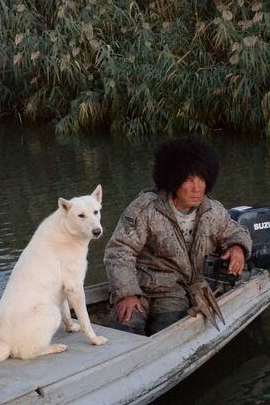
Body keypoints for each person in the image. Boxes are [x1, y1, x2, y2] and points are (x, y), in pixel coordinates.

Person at [104, 136, 252, 336]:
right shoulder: (146, 209)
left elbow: (236, 231)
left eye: (202, 180)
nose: (197, 188)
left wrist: (238, 248)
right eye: (189, 180)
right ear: (173, 179)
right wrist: (127, 294)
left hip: (174, 294)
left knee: (169, 333)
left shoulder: (212, 211)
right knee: (125, 323)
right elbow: (119, 250)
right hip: (141, 287)